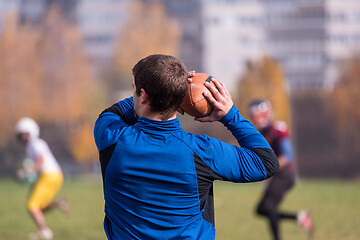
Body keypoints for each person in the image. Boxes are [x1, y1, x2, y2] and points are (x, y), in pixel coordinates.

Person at [94, 54, 279, 240]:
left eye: (134, 89)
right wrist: (230, 115)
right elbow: (266, 162)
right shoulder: (202, 151)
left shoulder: (110, 137)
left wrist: (166, 90)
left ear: (142, 95)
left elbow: (113, 112)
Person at [248, 99, 314, 240]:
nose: (253, 118)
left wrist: (268, 172)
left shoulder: (278, 128)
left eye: (255, 114)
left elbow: (287, 156)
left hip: (284, 174)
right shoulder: (262, 133)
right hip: (276, 174)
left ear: (264, 113)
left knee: (268, 207)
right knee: (262, 209)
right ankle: (300, 217)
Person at [15, 117, 68, 240]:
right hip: (55, 176)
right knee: (40, 208)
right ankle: (58, 203)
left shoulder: (35, 143)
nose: (22, 137)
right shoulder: (33, 145)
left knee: (32, 206)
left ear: (30, 132)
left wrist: (26, 172)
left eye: (24, 134)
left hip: (49, 175)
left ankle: (45, 232)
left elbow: (41, 160)